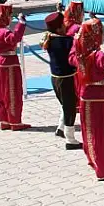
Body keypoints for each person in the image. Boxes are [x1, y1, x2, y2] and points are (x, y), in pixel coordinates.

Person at [69, 17, 104, 180]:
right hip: (99, 98)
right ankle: (102, 169)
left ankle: (94, 160)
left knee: (91, 131)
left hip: (85, 96)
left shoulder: (80, 55)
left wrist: (77, 41)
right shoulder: (98, 56)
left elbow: (71, 57)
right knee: (102, 134)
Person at [40, 12, 81, 150]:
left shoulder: (50, 39)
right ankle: (70, 139)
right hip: (65, 79)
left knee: (66, 104)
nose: (65, 26)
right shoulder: (66, 41)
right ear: (58, 28)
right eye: (63, 24)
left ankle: (61, 128)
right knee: (70, 107)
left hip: (55, 78)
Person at [0, 4, 30, 131]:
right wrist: (21, 24)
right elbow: (14, 39)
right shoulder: (3, 31)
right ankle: (15, 122)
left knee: (0, 93)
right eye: (9, 15)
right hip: (9, 64)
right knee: (13, 92)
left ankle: (4, 120)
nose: (11, 18)